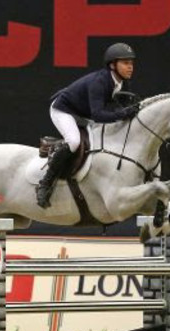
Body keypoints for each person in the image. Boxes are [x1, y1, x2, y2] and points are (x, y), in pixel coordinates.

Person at [37, 42, 140, 208]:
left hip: (83, 114)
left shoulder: (122, 82)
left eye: (132, 63)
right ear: (113, 65)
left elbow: (117, 109)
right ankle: (45, 184)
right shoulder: (100, 82)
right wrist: (122, 114)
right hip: (64, 110)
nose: (130, 67)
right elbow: (98, 115)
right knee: (74, 142)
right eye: (126, 63)